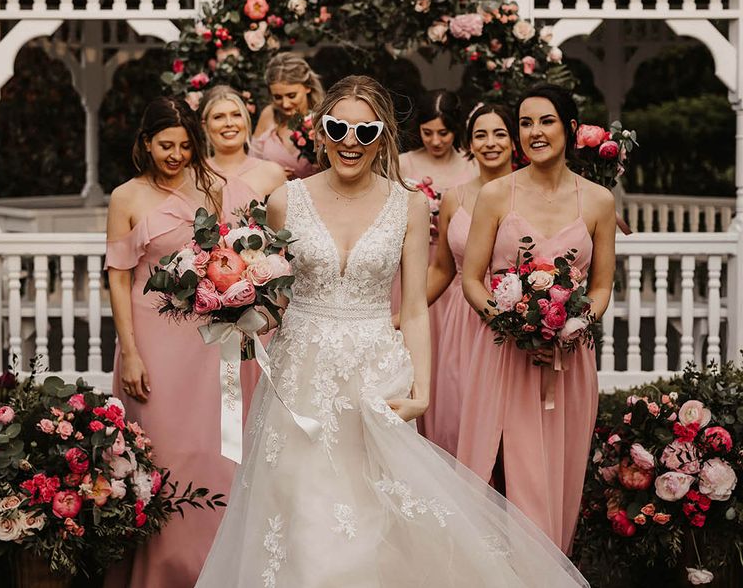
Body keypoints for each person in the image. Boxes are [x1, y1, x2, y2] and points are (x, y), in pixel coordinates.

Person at [196, 76, 588, 587]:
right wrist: (234, 307)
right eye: (338, 128)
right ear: (321, 132)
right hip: (300, 383)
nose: (349, 142)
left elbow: (416, 308)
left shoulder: (408, 205)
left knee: (373, 515)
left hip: (375, 374)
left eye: (365, 131)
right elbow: (278, 303)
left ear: (382, 136)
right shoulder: (285, 202)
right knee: (301, 512)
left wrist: (422, 389)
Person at [459, 84, 616, 555]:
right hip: (506, 357)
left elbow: (604, 285)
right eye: (525, 123)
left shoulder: (599, 201)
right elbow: (472, 279)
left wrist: (573, 326)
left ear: (568, 129)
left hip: (568, 361)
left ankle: (549, 568)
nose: (534, 132)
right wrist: (516, 328)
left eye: (545, 121)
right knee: (505, 476)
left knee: (559, 480)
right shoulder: (494, 195)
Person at [105, 97, 233, 586]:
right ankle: (154, 573)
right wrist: (131, 352)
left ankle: (208, 568)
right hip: (150, 338)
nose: (176, 155)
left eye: (183, 145)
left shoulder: (212, 188)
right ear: (145, 144)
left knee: (205, 451)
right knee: (157, 453)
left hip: (201, 336)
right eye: (165, 146)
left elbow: (225, 253)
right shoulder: (126, 197)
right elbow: (118, 278)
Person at [425, 103, 515, 456]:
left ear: (513, 141)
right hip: (463, 323)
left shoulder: (533, 194)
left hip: (516, 319)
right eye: (481, 135)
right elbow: (442, 270)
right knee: (460, 421)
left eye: (499, 133)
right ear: (469, 144)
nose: (490, 142)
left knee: (510, 430)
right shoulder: (454, 198)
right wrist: (403, 315)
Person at [200, 85, 286, 423]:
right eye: (219, 116)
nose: (229, 123)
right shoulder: (196, 174)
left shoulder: (272, 173)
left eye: (236, 114)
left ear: (248, 121)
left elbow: (283, 242)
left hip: (260, 299)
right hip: (210, 302)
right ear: (205, 124)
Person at [397, 90, 477, 440]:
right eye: (428, 132)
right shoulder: (403, 164)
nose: (435, 140)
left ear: (455, 130)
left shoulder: (472, 165)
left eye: (443, 133)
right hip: (410, 270)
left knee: (450, 369)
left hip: (456, 274)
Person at [250, 51, 324, 179]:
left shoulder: (322, 118)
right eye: (277, 97)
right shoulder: (269, 114)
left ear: (307, 87)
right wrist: (271, 174)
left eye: (291, 96)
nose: (285, 104)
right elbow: (252, 161)